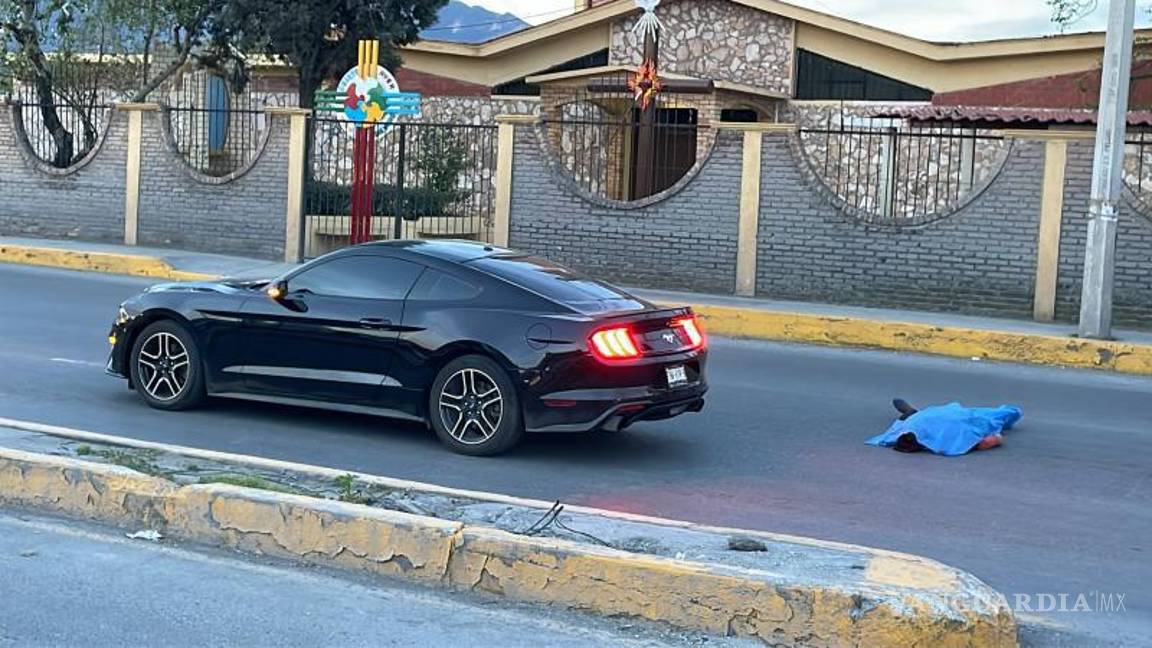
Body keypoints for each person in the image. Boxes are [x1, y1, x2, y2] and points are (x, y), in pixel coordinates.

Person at [866, 399, 1022, 456]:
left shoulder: (947, 443)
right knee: (909, 418)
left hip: (957, 418)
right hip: (932, 416)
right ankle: (911, 411)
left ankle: (911, 411)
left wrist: (997, 438)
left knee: (995, 418)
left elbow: (990, 441)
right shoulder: (906, 430)